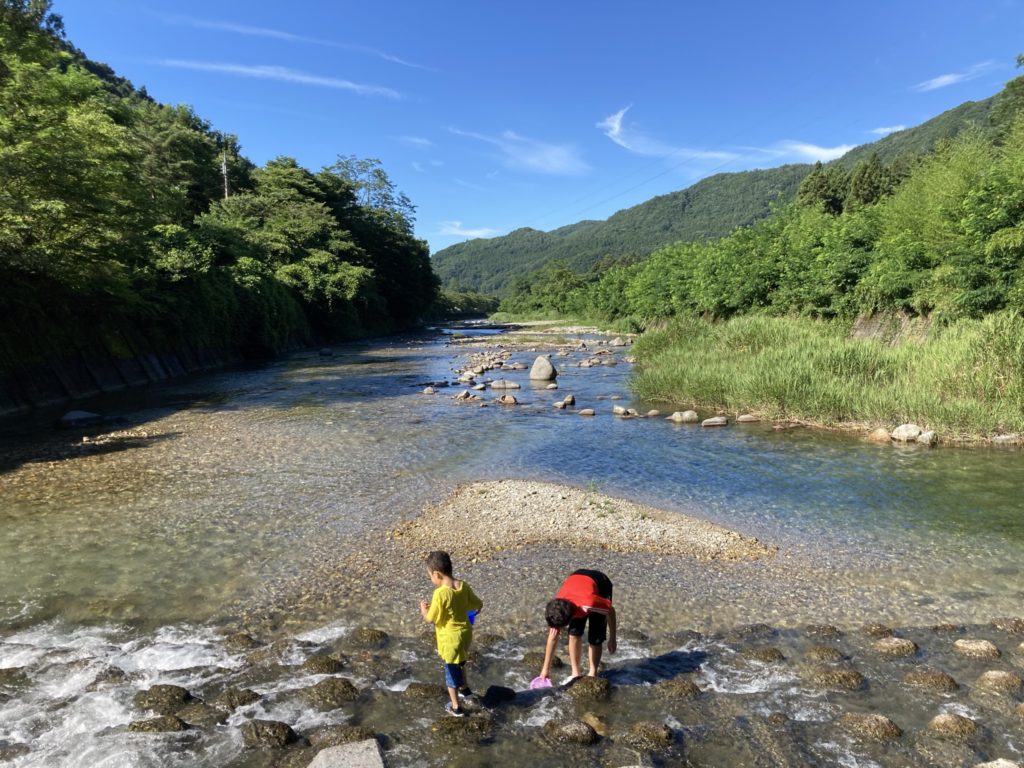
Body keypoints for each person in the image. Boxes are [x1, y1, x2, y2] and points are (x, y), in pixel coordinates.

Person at [419, 550, 483, 717]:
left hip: (450, 639)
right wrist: (470, 611)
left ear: (437, 574)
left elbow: (431, 619)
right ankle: (466, 690)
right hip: (465, 634)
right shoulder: (463, 585)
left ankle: (456, 707)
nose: (431, 580)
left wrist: (424, 610)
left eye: (430, 577)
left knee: (450, 672)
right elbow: (477, 605)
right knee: (461, 662)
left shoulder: (440, 593)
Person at [538, 568, 617, 683]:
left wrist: (613, 638)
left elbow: (610, 611)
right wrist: (545, 670)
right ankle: (575, 672)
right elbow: (552, 638)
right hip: (576, 580)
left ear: (571, 617)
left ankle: (593, 672)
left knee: (595, 637)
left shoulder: (591, 603)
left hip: (600, 584)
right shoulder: (557, 607)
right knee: (573, 633)